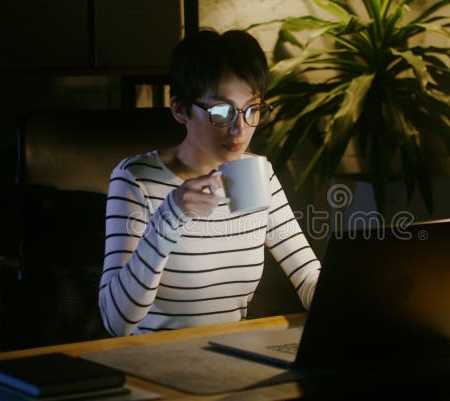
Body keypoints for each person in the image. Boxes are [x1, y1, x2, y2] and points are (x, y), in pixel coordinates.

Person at [98, 29, 320, 336]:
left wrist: (354, 299)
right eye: (221, 111)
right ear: (179, 109)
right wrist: (170, 215)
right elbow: (116, 322)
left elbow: (308, 275)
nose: (239, 129)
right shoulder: (136, 180)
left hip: (232, 357)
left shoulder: (259, 175)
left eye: (252, 110)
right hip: (153, 361)